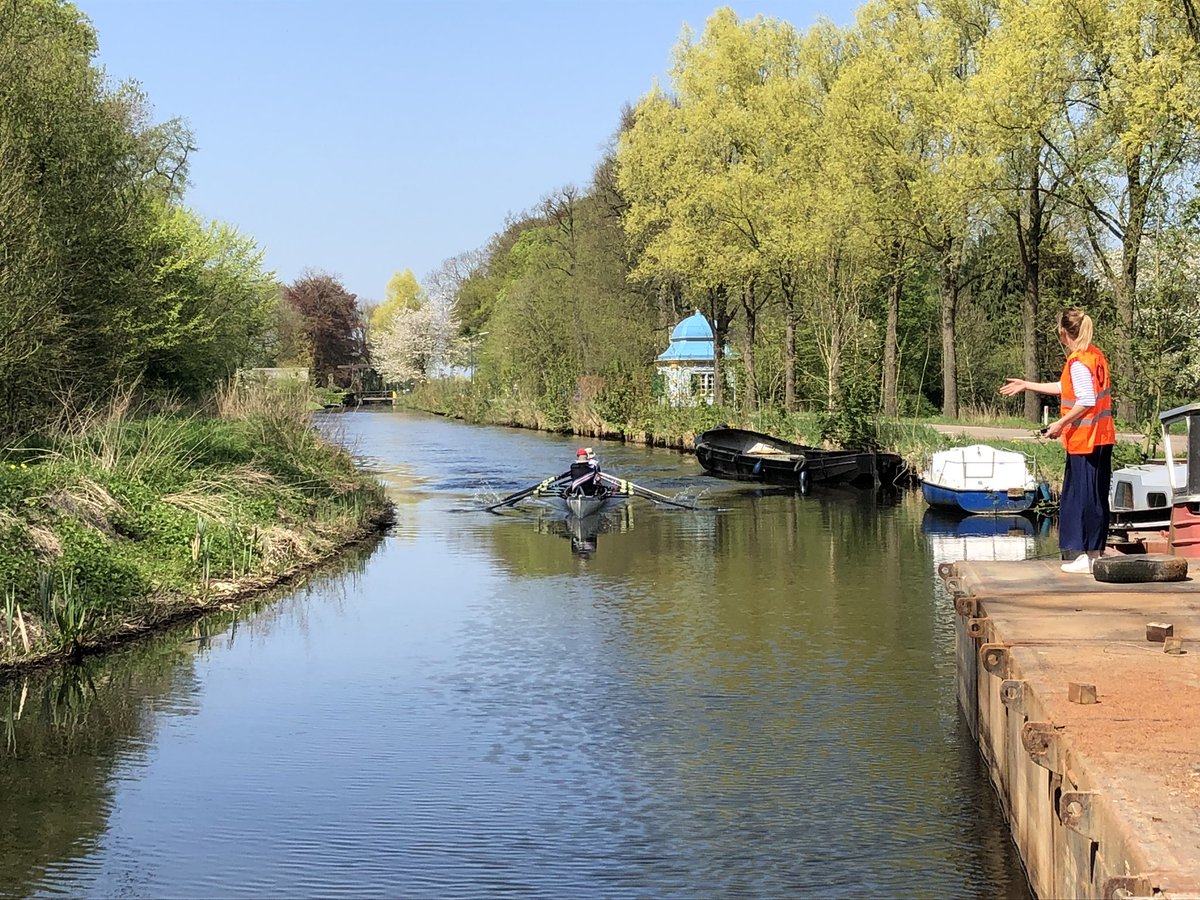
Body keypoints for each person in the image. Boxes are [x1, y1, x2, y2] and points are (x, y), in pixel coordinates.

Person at [1000, 308, 1116, 574]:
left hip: (1085, 441)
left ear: (1064, 333)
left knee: (1081, 498)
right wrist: (1028, 384)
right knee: (1096, 497)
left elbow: (1085, 400)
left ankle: (1085, 558)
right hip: (1101, 438)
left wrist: (1060, 424)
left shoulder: (1078, 360)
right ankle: (1095, 554)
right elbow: (1069, 388)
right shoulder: (1094, 355)